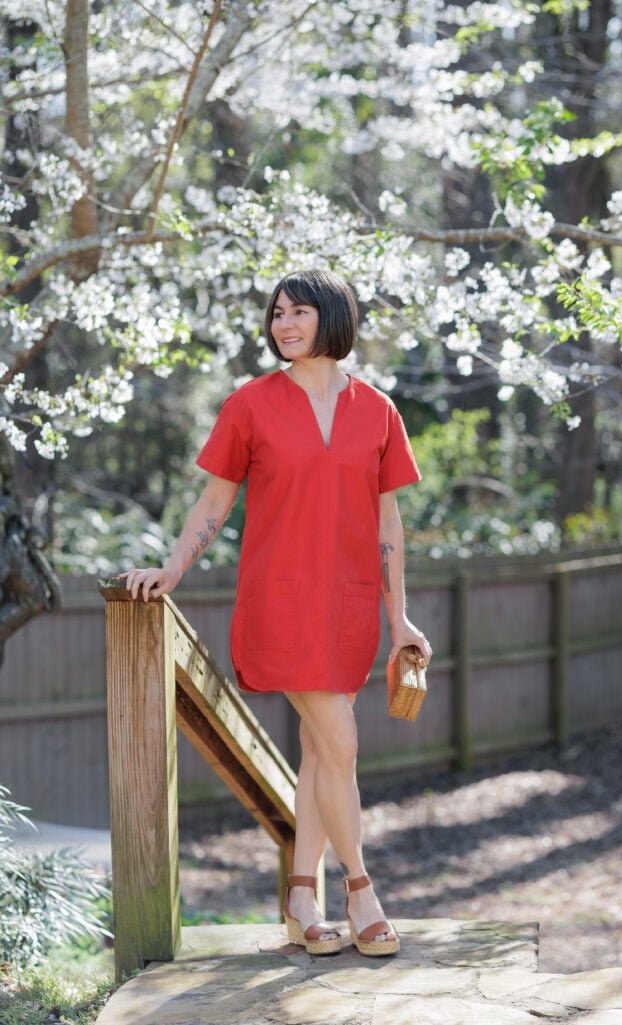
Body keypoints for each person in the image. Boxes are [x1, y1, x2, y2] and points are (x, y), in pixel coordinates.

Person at [123, 268, 432, 957]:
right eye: (276, 314)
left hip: (349, 605)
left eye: (297, 312)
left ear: (331, 318)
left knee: (323, 750)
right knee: (342, 744)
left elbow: (389, 526)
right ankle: (359, 888)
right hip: (280, 601)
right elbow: (214, 502)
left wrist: (398, 618)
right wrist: (172, 567)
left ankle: (299, 893)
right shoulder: (249, 405)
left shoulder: (378, 411)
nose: (283, 325)